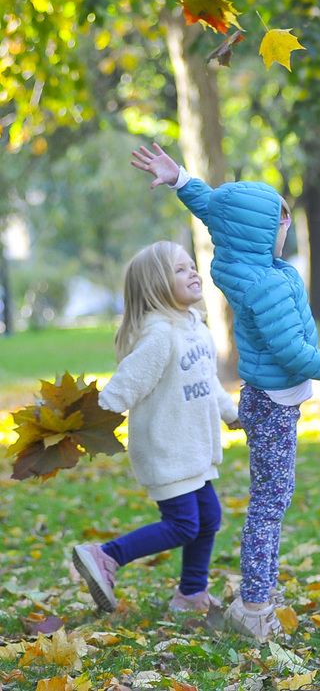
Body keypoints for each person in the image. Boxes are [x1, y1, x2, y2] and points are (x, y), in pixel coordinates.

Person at [130, 144, 320, 640]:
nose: (287, 228)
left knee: (271, 498)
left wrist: (181, 181)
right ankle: (255, 603)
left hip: (265, 399)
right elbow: (293, 352)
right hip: (274, 402)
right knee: (269, 503)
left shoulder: (245, 266)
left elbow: (219, 213)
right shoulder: (267, 284)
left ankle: (259, 592)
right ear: (267, 232)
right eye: (282, 222)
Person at [72, 242, 240, 616]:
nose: (193, 273)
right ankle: (105, 556)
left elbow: (208, 380)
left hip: (195, 446)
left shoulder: (195, 327)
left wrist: (231, 414)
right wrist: (87, 423)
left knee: (208, 518)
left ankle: (191, 594)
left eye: (190, 266)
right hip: (167, 448)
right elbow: (126, 384)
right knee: (183, 525)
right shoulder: (160, 334)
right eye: (179, 270)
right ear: (155, 287)